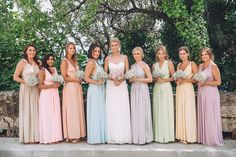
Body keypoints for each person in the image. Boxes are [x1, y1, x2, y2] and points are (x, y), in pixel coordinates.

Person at [104, 38, 131, 144]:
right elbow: (105, 73)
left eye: (116, 45)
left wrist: (121, 80)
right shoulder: (107, 58)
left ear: (119, 45)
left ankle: (123, 136)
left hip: (122, 85)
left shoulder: (125, 57)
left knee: (122, 108)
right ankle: (112, 136)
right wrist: (112, 79)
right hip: (111, 86)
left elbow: (127, 73)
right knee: (112, 108)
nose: (114, 47)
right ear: (110, 47)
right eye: (112, 45)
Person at [13, 44, 40, 143]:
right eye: (30, 50)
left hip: (35, 89)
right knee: (27, 110)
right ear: (26, 52)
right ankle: (28, 137)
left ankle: (36, 137)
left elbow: (40, 76)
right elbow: (15, 77)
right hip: (26, 88)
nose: (32, 52)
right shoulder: (22, 62)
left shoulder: (38, 63)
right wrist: (27, 82)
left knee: (36, 111)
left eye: (34, 50)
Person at [197, 47, 224, 146]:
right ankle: (204, 138)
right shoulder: (200, 66)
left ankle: (212, 139)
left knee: (210, 114)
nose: (204, 56)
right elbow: (198, 78)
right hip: (201, 92)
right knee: (203, 113)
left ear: (210, 55)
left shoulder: (213, 66)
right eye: (202, 54)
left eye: (206, 54)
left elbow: (218, 82)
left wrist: (206, 83)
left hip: (210, 92)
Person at [60, 42, 86, 143]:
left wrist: (81, 77)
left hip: (77, 88)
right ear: (67, 49)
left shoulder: (75, 61)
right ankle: (71, 134)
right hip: (70, 87)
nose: (72, 50)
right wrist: (76, 80)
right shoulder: (64, 62)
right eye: (70, 48)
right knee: (71, 110)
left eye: (74, 48)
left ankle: (78, 133)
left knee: (77, 109)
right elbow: (64, 77)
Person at [129, 47, 153, 144]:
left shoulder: (144, 65)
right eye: (134, 54)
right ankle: (136, 137)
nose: (136, 56)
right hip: (134, 89)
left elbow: (150, 79)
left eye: (138, 54)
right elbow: (130, 80)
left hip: (142, 89)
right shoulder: (132, 66)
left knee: (142, 110)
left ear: (141, 54)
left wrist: (137, 79)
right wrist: (132, 79)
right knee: (135, 111)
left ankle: (145, 137)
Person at [84, 43, 107, 144]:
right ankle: (95, 137)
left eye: (98, 51)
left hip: (100, 89)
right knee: (95, 112)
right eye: (95, 51)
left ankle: (100, 136)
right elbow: (86, 78)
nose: (97, 53)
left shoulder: (97, 63)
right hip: (94, 89)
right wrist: (97, 82)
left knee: (100, 112)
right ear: (91, 52)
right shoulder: (91, 62)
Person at [152, 45, 175, 143]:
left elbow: (174, 77)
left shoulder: (169, 63)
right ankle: (158, 136)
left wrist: (164, 80)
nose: (160, 55)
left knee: (166, 109)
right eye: (159, 54)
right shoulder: (154, 65)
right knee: (158, 109)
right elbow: (152, 79)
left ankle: (167, 136)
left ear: (165, 54)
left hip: (166, 88)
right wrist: (155, 79)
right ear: (156, 55)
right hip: (157, 88)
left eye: (162, 53)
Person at [38, 54, 62, 144]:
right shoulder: (42, 71)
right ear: (45, 60)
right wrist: (52, 85)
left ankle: (55, 137)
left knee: (55, 115)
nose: (51, 61)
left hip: (54, 94)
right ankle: (48, 138)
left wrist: (58, 83)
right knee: (47, 116)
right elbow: (39, 86)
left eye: (52, 59)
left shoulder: (55, 69)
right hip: (46, 95)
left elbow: (56, 81)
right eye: (49, 59)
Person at [175, 46, 198, 143]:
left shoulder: (192, 64)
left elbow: (197, 78)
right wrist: (177, 81)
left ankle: (190, 137)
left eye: (184, 53)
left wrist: (184, 79)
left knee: (188, 111)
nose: (182, 55)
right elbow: (176, 78)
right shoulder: (179, 65)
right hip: (179, 89)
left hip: (188, 89)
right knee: (180, 111)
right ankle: (182, 136)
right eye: (180, 54)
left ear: (188, 54)